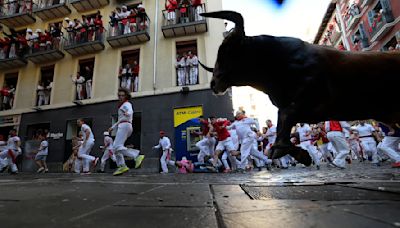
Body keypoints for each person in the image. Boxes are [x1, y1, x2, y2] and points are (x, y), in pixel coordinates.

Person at [109, 88, 144, 176]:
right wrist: (113, 127)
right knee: (115, 148)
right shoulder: (122, 106)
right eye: (119, 95)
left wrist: (128, 113)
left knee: (116, 147)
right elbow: (120, 119)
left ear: (126, 96)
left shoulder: (126, 104)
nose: (120, 97)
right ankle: (122, 166)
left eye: (122, 95)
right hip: (124, 125)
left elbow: (130, 111)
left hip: (125, 126)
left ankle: (136, 155)